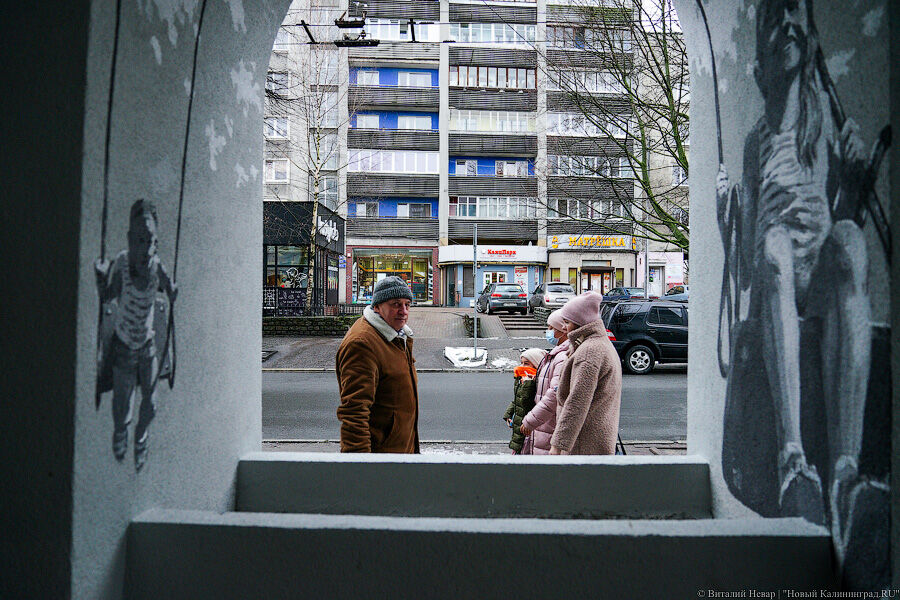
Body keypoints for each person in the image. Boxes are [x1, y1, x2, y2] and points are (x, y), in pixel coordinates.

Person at [716, 0, 875, 551]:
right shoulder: (756, 142)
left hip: (820, 276)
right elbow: (745, 274)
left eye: (794, 17)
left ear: (808, 43)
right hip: (776, 278)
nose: (786, 25)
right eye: (773, 20)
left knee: (849, 239)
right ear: (759, 63)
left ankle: (846, 475)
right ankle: (793, 462)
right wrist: (727, 222)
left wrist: (853, 182)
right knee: (776, 244)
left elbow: (846, 231)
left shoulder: (823, 126)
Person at [94, 199, 177, 471]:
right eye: (139, 240)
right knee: (122, 408)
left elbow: (169, 288)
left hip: (147, 346)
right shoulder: (122, 263)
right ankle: (122, 432)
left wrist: (172, 292)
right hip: (124, 346)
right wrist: (101, 281)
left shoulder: (156, 266)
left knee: (150, 405)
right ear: (130, 240)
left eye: (150, 240)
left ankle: (141, 436)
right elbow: (109, 296)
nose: (145, 248)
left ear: (156, 243)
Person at [336, 276, 419, 453]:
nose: (404, 311)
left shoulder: (397, 336)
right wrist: (361, 465)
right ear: (377, 307)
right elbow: (354, 413)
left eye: (407, 304)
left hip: (398, 453)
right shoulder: (362, 344)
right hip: (381, 459)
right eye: (396, 304)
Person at [550, 292, 621, 455]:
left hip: (583, 443)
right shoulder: (600, 343)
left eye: (567, 322)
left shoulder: (588, 352)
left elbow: (577, 402)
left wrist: (557, 445)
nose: (563, 327)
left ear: (580, 323)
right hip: (595, 438)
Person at [519, 310, 570, 455]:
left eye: (551, 328)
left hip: (549, 426)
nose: (548, 331)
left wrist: (531, 420)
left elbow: (554, 394)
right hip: (544, 425)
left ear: (562, 330)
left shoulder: (561, 357)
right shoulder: (556, 354)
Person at [502, 348, 546, 454]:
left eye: (526, 363)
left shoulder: (538, 382)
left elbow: (527, 402)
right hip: (519, 426)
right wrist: (509, 414)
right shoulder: (521, 379)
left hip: (529, 429)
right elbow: (517, 399)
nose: (522, 366)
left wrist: (528, 385)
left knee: (525, 454)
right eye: (521, 363)